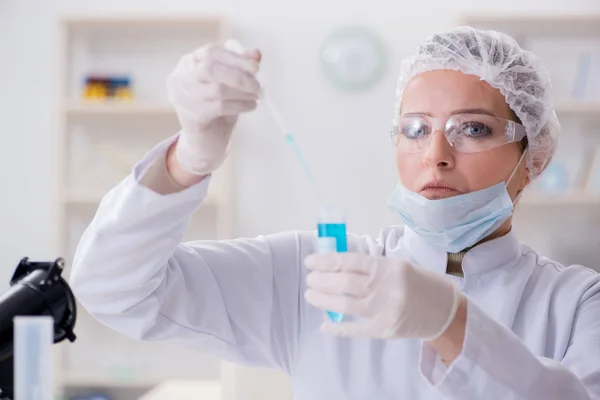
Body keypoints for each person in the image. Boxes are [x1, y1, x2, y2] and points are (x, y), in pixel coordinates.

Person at [70, 26, 600, 399]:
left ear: (535, 158)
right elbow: (115, 290)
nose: (435, 154)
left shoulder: (577, 303)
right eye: (415, 128)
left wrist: (452, 323)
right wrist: (189, 157)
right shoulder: (324, 273)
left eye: (474, 129)